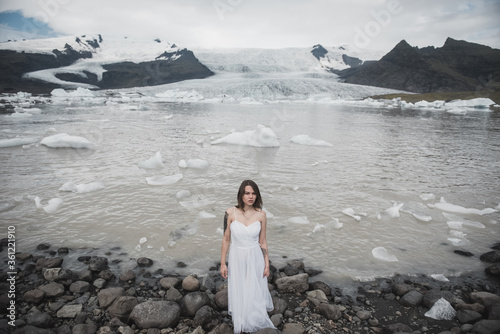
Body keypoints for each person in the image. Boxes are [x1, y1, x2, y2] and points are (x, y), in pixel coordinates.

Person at [220, 180, 275, 333]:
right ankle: (241, 319)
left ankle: (253, 317)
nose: (251, 196)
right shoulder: (230, 213)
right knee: (239, 287)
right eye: (247, 193)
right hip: (237, 256)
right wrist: (223, 263)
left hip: (255, 256)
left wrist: (266, 264)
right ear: (241, 195)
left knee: (253, 287)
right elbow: (226, 239)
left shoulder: (261, 215)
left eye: (253, 193)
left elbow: (262, 241)